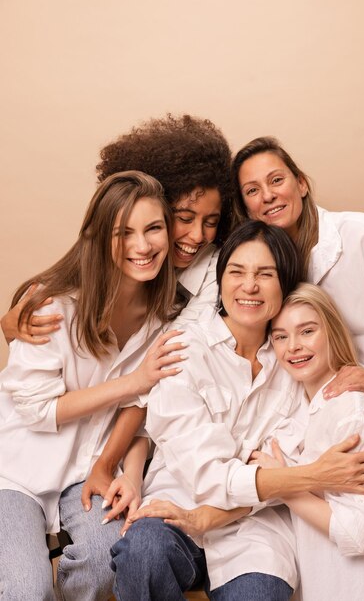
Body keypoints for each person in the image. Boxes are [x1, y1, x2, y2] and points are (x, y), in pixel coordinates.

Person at [110, 221, 364, 601]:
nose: (249, 286)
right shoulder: (181, 351)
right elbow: (207, 477)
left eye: (265, 274)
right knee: (143, 552)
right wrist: (313, 475)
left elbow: (281, 470)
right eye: (236, 272)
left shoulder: (296, 362)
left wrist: (278, 483)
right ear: (221, 280)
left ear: (285, 283)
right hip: (177, 506)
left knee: (259, 592)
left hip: (255, 527)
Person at [0, 113, 233, 512]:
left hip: (132, 443)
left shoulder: (200, 286)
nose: (196, 236)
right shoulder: (75, 289)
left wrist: (117, 465)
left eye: (210, 222)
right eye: (184, 219)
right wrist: (11, 322)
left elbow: (152, 386)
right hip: (34, 459)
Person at [231, 136, 364, 596]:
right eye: (252, 190)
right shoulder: (273, 267)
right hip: (333, 429)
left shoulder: (361, 235)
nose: (268, 195)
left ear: (302, 183)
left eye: (276, 180)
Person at [0, 171, 185, 601]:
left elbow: (148, 407)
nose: (144, 246)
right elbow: (36, 410)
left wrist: (124, 471)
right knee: (25, 591)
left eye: (154, 228)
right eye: (125, 233)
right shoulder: (52, 305)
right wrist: (133, 381)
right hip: (14, 473)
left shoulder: (171, 315)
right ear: (100, 237)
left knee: (104, 565)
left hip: (91, 470)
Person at [262, 283, 364, 600]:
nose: (293, 346)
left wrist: (283, 485)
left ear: (331, 331)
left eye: (307, 331)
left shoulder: (354, 412)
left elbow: (362, 534)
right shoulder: (301, 414)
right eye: (280, 336)